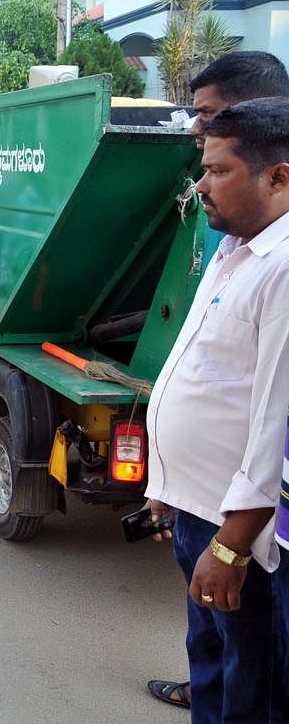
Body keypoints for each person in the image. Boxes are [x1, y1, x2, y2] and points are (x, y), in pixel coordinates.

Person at [145, 50, 289, 712]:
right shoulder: (235, 243)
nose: (200, 180)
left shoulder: (281, 266)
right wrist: (166, 482)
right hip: (198, 505)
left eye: (217, 168)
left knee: (244, 683)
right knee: (209, 658)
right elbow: (198, 368)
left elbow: (271, 426)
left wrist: (231, 546)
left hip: (238, 527)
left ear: (278, 177)